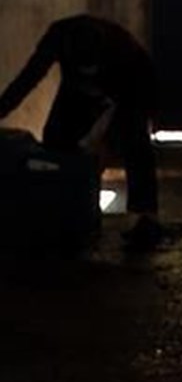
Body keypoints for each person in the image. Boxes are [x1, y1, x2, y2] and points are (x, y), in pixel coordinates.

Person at [0, 14, 162, 251]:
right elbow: (29, 77)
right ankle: (61, 206)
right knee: (55, 136)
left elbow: (127, 110)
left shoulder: (126, 54)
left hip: (129, 89)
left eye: (91, 71)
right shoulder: (58, 37)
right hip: (74, 89)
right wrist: (2, 108)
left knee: (134, 140)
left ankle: (146, 218)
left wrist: (104, 145)